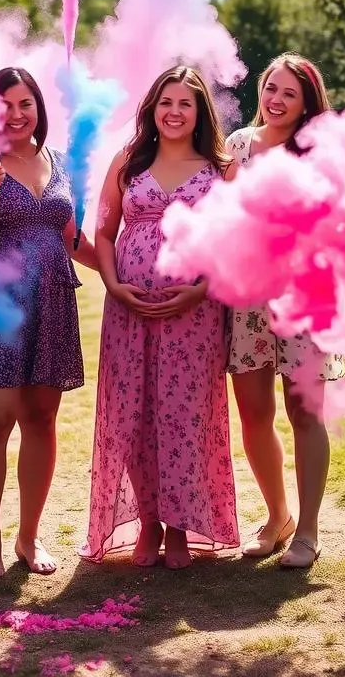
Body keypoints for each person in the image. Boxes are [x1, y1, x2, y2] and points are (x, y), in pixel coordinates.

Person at [81, 65, 239, 570]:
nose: (174, 112)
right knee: (135, 413)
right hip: (129, 310)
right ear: (152, 108)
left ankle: (177, 526)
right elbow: (103, 233)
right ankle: (147, 521)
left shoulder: (220, 168)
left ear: (199, 113)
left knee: (186, 414)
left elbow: (234, 242)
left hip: (194, 312)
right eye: (165, 103)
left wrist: (200, 291)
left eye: (185, 104)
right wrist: (112, 284)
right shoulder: (128, 162)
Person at [0, 66, 98, 580]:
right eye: (3, 106)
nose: (15, 115)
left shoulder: (55, 161)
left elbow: (72, 238)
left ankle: (28, 537)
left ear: (38, 108)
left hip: (50, 305)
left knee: (41, 420)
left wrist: (124, 278)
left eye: (25, 104)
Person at [226, 53, 344, 570]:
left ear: (306, 104)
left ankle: (309, 531)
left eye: (288, 93)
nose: (275, 99)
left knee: (304, 412)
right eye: (270, 87)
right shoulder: (236, 146)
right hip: (247, 297)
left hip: (305, 295)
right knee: (254, 412)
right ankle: (278, 517)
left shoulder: (320, 152)